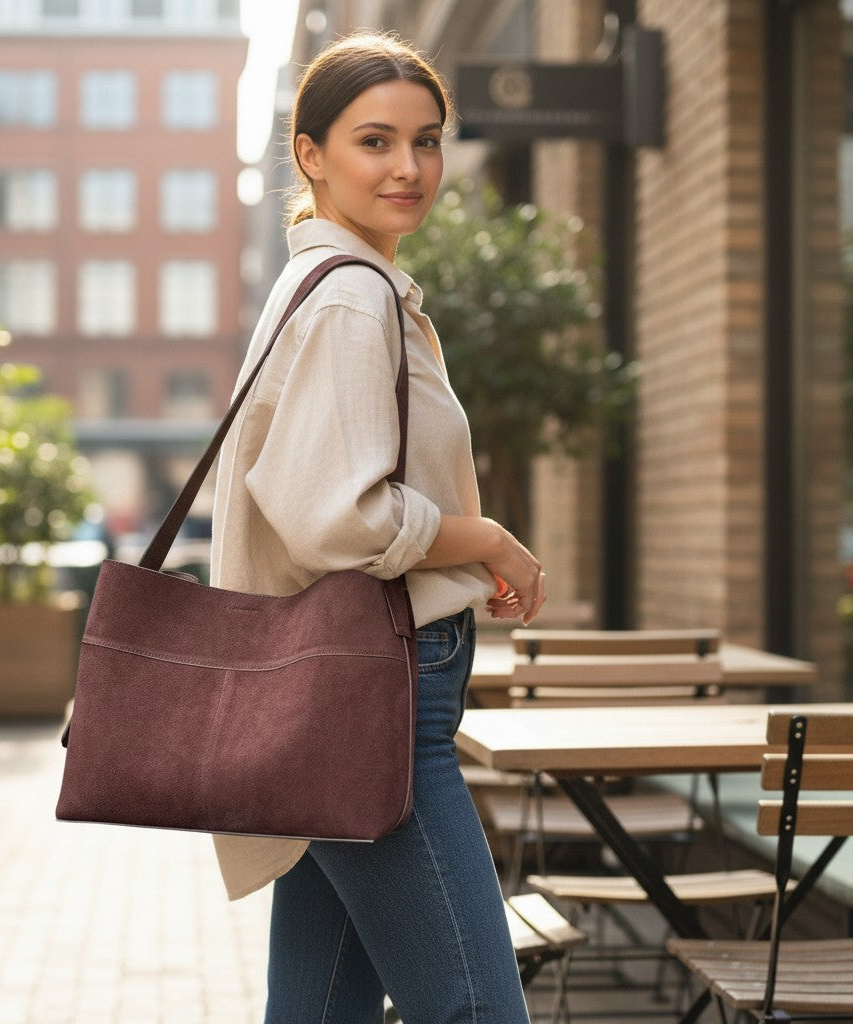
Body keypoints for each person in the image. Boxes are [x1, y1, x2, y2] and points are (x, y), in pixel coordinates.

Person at [209, 31, 545, 1024]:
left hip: (339, 685)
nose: (408, 167)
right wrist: (484, 537)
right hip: (376, 692)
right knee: (479, 1007)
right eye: (374, 141)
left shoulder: (329, 288)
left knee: (319, 1011)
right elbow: (339, 517)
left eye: (427, 140)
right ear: (310, 154)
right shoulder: (351, 301)